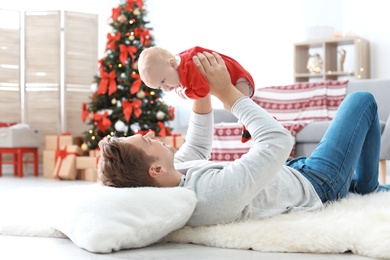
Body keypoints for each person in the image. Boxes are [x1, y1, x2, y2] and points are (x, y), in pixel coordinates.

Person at [97, 51, 390, 227]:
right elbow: (277, 141)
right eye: (146, 141)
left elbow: (198, 145)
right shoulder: (209, 195)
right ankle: (367, 187)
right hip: (317, 183)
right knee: (362, 102)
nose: (150, 134)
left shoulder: (172, 177)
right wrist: (228, 94)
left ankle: (367, 186)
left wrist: (199, 89)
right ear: (155, 170)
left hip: (294, 172)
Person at [138, 46, 255, 142]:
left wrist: (186, 92)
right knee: (235, 108)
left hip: (239, 80)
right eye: (159, 87)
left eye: (163, 81)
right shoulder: (179, 65)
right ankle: (248, 127)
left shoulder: (188, 68)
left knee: (235, 106)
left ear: (172, 64)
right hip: (235, 80)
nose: (165, 88)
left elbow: (203, 90)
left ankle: (256, 124)